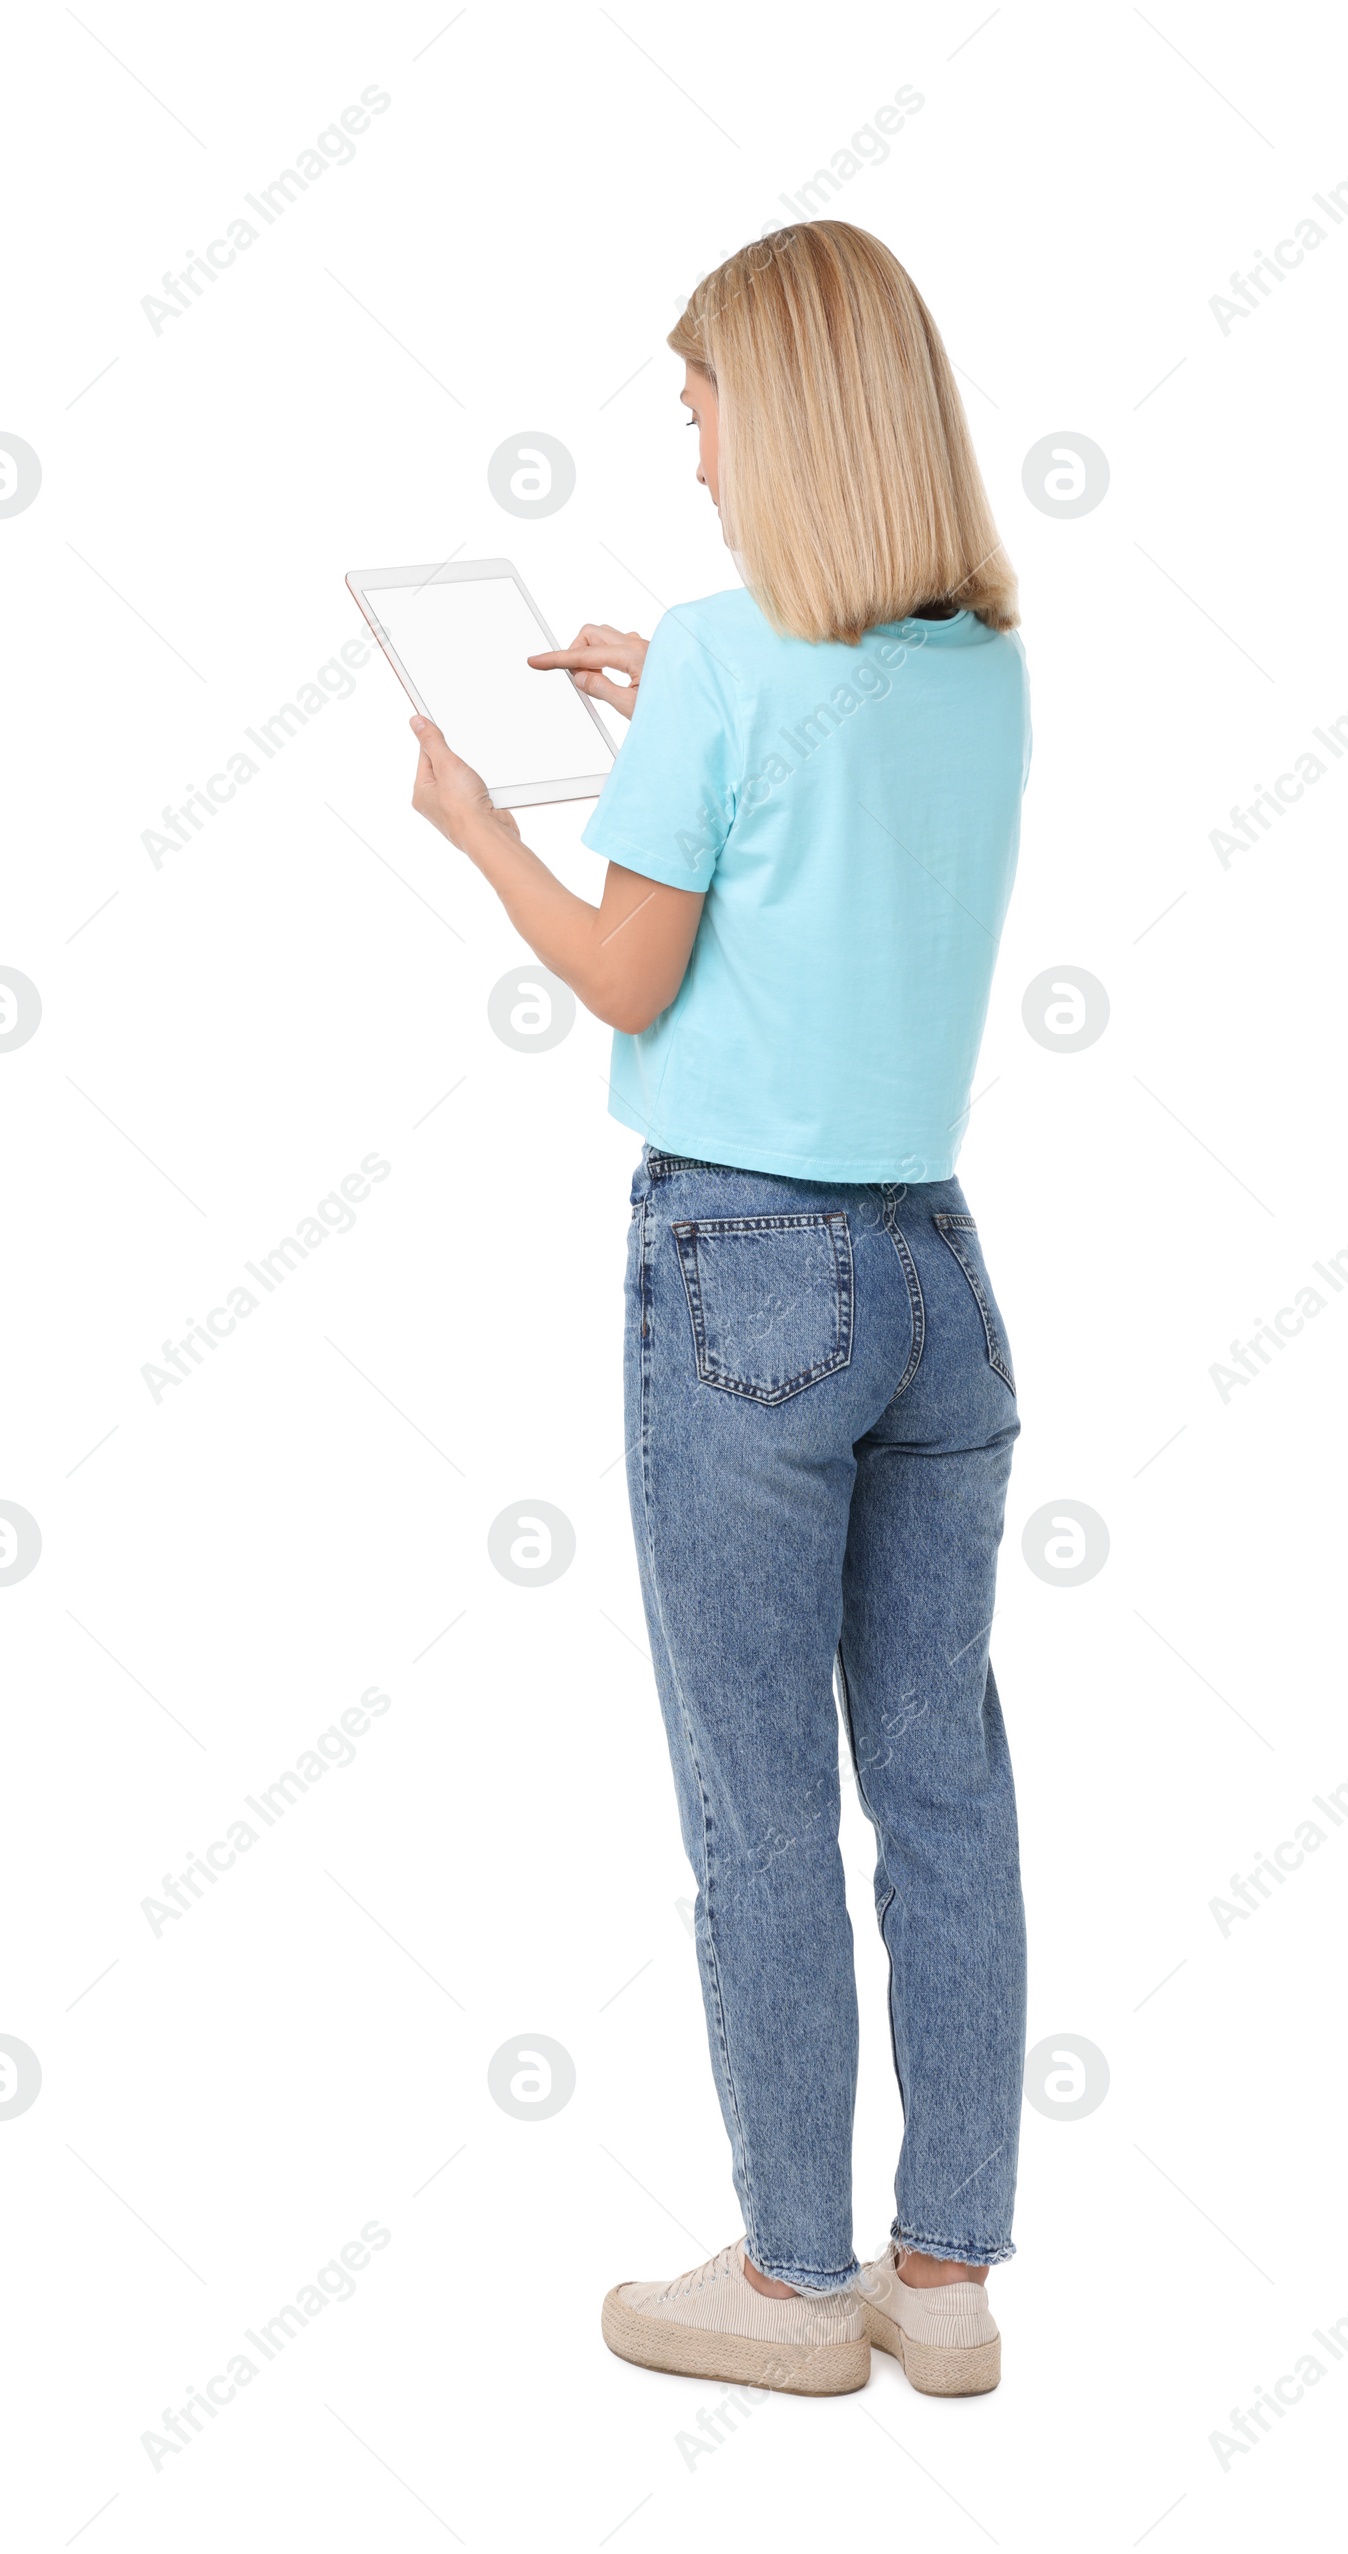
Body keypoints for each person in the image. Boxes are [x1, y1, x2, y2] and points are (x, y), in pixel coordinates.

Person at [408, 220, 1030, 2399]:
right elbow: (823, 830)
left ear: (773, 411)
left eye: (694, 405)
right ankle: (939, 2272)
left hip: (745, 1274)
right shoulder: (976, 660)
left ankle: (786, 2282)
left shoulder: (720, 648)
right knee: (938, 1773)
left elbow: (631, 973)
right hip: (939, 1282)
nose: (681, 449)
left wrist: (487, 829)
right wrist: (673, 715)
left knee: (755, 1791)